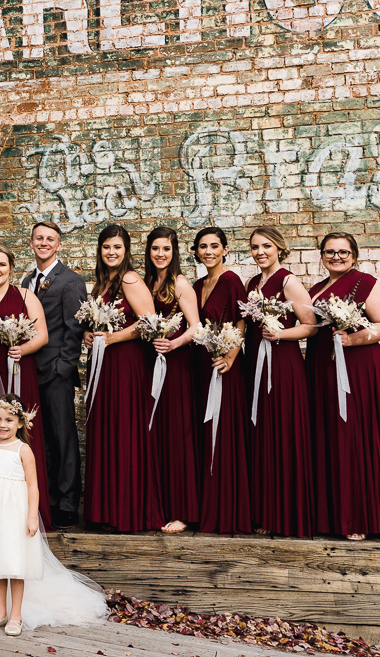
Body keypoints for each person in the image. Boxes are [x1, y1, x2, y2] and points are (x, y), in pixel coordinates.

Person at [0, 395, 108, 636]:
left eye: (9, 420)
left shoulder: (23, 450)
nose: (2, 424)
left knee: (14, 565)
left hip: (13, 515)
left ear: (20, 423)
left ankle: (16, 615)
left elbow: (33, 485)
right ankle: (0, 613)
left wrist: (32, 517)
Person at [307, 232, 380, 540]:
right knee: (329, 433)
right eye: (329, 251)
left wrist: (354, 338)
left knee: (356, 434)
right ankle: (329, 516)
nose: (336, 257)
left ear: (354, 255)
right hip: (323, 364)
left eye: (343, 252)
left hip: (358, 365)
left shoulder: (365, 282)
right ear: (322, 255)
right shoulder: (315, 289)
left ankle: (360, 518)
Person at [82, 224, 163, 533]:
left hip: (126, 364)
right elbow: (96, 322)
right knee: (105, 429)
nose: (111, 252)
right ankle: (105, 510)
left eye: (117, 247)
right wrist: (90, 334)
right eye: (106, 247)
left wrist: (112, 339)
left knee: (125, 430)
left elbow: (149, 322)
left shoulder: (130, 278)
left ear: (126, 250)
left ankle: (126, 511)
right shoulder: (103, 282)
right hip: (103, 364)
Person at [244, 226, 317, 537]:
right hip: (254, 365)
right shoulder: (251, 284)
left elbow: (311, 326)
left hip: (283, 365)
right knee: (261, 436)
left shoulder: (288, 281)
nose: (260, 252)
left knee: (283, 434)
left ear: (279, 248)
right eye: (255, 247)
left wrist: (280, 334)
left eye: (266, 246)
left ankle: (288, 514)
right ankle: (264, 512)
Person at [0, 244, 52, 528]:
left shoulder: (26, 296)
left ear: (11, 268)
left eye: (1, 265)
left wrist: (25, 349)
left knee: (23, 434)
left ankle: (31, 514)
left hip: (19, 371)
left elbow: (42, 335)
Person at [19, 222, 86, 528]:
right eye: (39, 238)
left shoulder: (70, 281)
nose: (44, 243)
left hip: (56, 374)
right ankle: (45, 499)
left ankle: (68, 504)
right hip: (31, 372)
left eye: (50, 239)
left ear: (59, 246)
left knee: (63, 438)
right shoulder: (26, 280)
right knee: (38, 439)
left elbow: (74, 329)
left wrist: (64, 368)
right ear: (31, 243)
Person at [191, 226, 250, 535]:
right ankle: (204, 506)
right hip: (199, 363)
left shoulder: (231, 281)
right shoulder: (198, 283)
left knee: (223, 431)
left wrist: (230, 356)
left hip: (224, 363)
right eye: (203, 246)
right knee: (203, 431)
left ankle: (227, 510)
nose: (209, 251)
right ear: (196, 251)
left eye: (215, 246)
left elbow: (241, 322)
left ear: (226, 249)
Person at [143, 226, 200, 533]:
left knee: (177, 435)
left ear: (173, 252)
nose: (160, 254)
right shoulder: (148, 282)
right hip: (150, 364)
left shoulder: (179, 283)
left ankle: (181, 509)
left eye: (166, 249)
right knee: (155, 435)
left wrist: (173, 343)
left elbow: (196, 326)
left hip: (176, 366)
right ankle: (157, 505)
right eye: (155, 249)